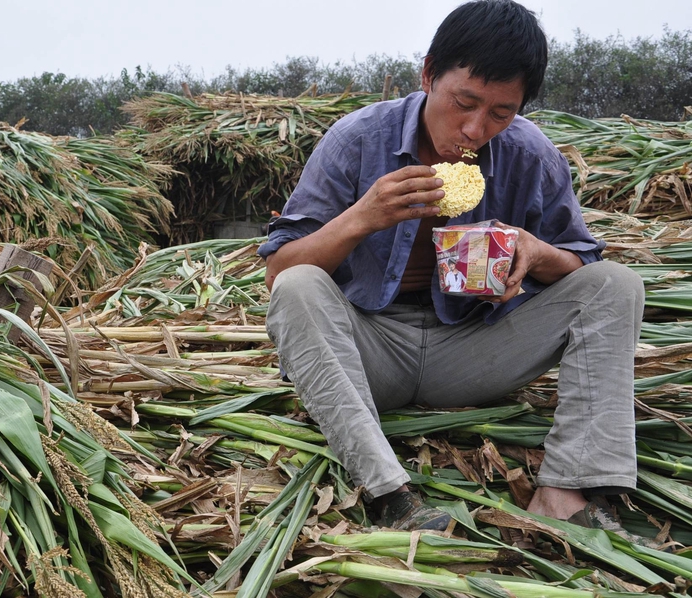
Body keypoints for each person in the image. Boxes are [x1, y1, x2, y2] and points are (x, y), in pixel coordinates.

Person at [258, 0, 651, 542]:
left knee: (617, 284)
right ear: (428, 74)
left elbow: (581, 261)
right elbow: (278, 272)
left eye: (500, 113)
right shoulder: (356, 141)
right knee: (301, 285)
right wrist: (360, 219)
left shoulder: (529, 154)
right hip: (371, 353)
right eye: (463, 102)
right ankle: (389, 494)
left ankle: (569, 485)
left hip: (473, 347)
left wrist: (535, 252)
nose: (474, 128)